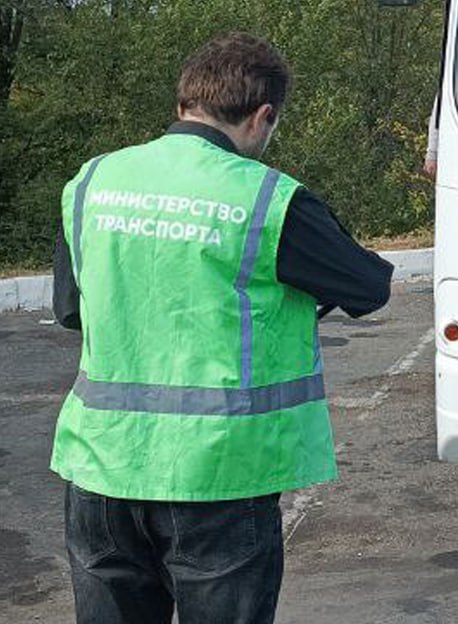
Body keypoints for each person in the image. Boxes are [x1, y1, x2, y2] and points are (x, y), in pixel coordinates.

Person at [50, 33, 393, 624]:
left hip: (101, 468)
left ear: (185, 102)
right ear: (263, 116)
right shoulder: (266, 199)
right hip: (220, 477)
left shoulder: (91, 182)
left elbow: (71, 311)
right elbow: (367, 286)